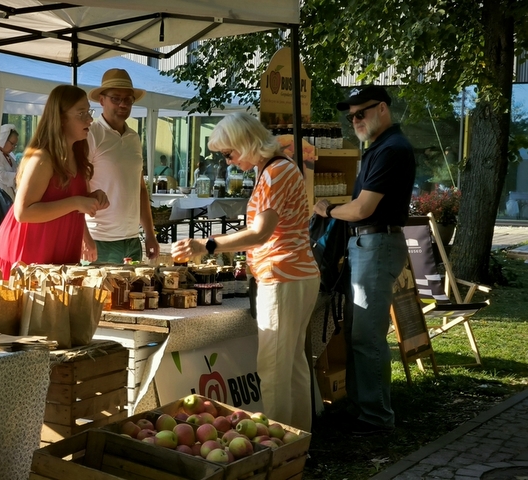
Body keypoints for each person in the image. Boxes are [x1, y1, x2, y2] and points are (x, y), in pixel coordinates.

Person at [171, 112, 320, 431]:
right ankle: (298, 445)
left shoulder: (275, 172)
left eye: (229, 153)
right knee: (292, 366)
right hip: (295, 274)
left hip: (283, 276)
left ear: (245, 142)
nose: (228, 161)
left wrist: (206, 245)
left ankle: (278, 446)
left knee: (274, 371)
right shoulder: (277, 167)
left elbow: (260, 233)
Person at [314, 85, 416, 435]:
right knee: (358, 334)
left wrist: (327, 209)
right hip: (368, 244)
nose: (355, 120)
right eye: (351, 116)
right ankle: (361, 408)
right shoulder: (381, 147)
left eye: (363, 112)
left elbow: (362, 209)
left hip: (377, 243)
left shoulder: (392, 150)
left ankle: (376, 418)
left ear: (383, 109)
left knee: (368, 337)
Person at [0, 85, 109, 280]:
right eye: (81, 113)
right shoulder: (43, 158)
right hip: (28, 255)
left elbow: (68, 201)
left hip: (58, 252)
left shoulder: (78, 155)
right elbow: (23, 212)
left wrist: (93, 199)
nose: (90, 119)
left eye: (89, 111)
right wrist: (77, 202)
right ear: (60, 119)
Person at [86, 68, 159, 264]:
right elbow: (77, 187)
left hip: (132, 239)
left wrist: (150, 234)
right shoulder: (91, 134)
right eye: (116, 98)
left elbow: (140, 188)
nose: (123, 104)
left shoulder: (134, 137)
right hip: (99, 239)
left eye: (128, 99)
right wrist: (84, 237)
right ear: (101, 100)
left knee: (132, 295)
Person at [0, 124, 20, 200]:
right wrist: (18, 176)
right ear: (3, 139)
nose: (13, 147)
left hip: (9, 198)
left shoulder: (10, 157)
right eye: (12, 144)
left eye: (15, 145)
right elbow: (0, 175)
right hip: (0, 199)